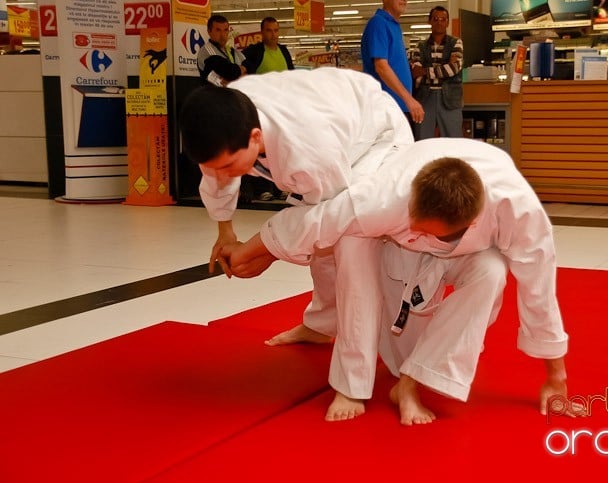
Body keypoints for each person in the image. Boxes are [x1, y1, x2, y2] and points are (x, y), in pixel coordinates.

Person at [218, 138, 574, 426]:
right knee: (351, 241)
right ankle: (352, 384)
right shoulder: (385, 195)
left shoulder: (519, 213)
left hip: (467, 251)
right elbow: (315, 223)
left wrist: (555, 377)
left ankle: (410, 385)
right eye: (415, 224)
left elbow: (539, 290)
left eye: (426, 231)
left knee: (493, 271)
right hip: (390, 244)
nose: (418, 233)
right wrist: (251, 252)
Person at [178, 67, 414, 361]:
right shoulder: (225, 120)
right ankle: (322, 326)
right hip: (334, 114)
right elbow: (215, 172)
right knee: (324, 242)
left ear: (254, 137)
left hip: (377, 137)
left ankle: (393, 333)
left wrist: (264, 251)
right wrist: (225, 230)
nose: (220, 175)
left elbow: (327, 220)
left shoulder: (306, 148)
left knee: (350, 238)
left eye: (228, 166)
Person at [240, 17, 295, 200]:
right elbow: (242, 73)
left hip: (281, 109)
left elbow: (292, 76)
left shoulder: (284, 51)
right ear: (262, 32)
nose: (273, 34)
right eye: (269, 30)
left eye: (276, 30)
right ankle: (264, 188)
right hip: (260, 109)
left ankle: (280, 187)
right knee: (262, 149)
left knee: (280, 149)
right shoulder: (254, 52)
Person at [361, 0, 425, 126]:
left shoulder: (394, 26)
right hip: (385, 109)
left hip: (397, 107)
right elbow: (381, 67)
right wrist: (409, 99)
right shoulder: (378, 23)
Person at [409, 6, 464, 139]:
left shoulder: (456, 43)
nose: (439, 22)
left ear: (447, 22)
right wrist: (444, 68)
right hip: (424, 99)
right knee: (422, 141)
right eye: (436, 19)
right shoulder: (419, 46)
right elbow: (416, 72)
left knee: (454, 141)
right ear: (430, 21)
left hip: (450, 99)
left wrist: (425, 71)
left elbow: (454, 69)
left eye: (443, 19)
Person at [197, 14, 246, 85]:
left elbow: (248, 72)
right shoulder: (207, 53)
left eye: (225, 30)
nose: (222, 35)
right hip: (215, 95)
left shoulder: (234, 52)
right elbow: (221, 83)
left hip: (235, 95)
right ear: (209, 31)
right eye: (218, 30)